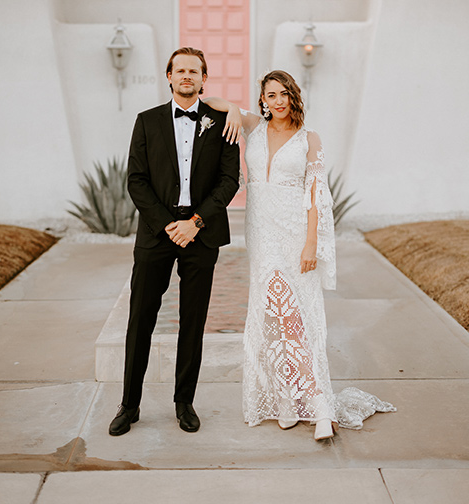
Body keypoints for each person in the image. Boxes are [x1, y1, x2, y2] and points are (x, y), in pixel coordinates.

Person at [206, 70, 395, 439]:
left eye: (283, 94)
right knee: (271, 316)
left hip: (295, 235)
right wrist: (231, 108)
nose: (277, 101)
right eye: (270, 95)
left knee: (298, 316)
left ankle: (321, 406)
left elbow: (316, 196)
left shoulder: (310, 139)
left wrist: (312, 243)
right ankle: (286, 401)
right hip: (261, 236)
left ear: (293, 97)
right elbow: (208, 101)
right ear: (262, 100)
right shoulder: (252, 129)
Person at [109, 47, 240, 437]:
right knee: (140, 319)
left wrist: (195, 223)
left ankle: (184, 403)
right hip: (157, 234)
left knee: (193, 321)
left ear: (204, 78)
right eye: (180, 70)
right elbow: (136, 180)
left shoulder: (221, 123)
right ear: (169, 76)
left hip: (202, 234)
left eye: (194, 71)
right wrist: (169, 225)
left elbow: (229, 180)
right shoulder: (146, 121)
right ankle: (129, 404)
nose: (187, 76)